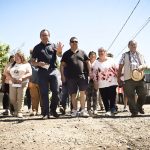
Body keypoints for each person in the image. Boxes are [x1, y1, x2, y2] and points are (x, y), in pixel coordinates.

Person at [31, 29, 63, 119]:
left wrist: (60, 51)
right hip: (42, 72)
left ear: (49, 36)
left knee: (56, 91)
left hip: (53, 70)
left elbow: (60, 55)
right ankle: (45, 113)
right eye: (43, 35)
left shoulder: (53, 45)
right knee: (44, 93)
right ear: (40, 36)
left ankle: (53, 110)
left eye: (46, 35)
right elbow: (32, 62)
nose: (45, 37)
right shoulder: (36, 47)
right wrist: (38, 64)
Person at [60, 37, 90, 117]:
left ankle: (83, 110)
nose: (74, 43)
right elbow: (62, 65)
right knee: (73, 94)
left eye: (76, 41)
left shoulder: (82, 52)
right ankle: (74, 110)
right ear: (69, 43)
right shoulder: (66, 54)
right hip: (70, 77)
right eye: (72, 41)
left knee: (82, 93)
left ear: (78, 43)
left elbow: (87, 62)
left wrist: (90, 72)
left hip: (82, 76)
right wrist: (62, 75)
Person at [117, 40, 147, 117]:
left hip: (140, 78)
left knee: (143, 93)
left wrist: (143, 67)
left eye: (135, 45)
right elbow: (120, 67)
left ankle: (139, 107)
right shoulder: (125, 55)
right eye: (132, 45)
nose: (134, 46)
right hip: (128, 79)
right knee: (130, 96)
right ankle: (134, 112)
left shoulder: (141, 55)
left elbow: (145, 66)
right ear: (129, 46)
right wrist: (118, 78)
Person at [90, 47, 118, 116]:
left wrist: (120, 78)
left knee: (112, 96)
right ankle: (108, 110)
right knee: (104, 97)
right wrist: (95, 82)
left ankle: (112, 109)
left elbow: (117, 69)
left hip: (112, 82)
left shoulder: (111, 60)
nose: (101, 53)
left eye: (103, 51)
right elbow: (94, 73)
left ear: (106, 52)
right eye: (99, 51)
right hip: (101, 83)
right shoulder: (95, 63)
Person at [6, 51, 32, 118]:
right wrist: (11, 78)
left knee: (20, 97)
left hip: (22, 83)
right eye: (15, 57)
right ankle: (16, 110)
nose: (16, 58)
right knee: (12, 98)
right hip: (12, 83)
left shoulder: (26, 64)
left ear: (22, 57)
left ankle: (19, 112)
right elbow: (6, 73)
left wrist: (22, 78)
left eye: (18, 57)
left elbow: (29, 73)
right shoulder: (12, 64)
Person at [86, 51, 98, 115]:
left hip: (95, 81)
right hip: (88, 81)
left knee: (95, 95)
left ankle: (95, 109)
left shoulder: (97, 63)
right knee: (88, 96)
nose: (92, 56)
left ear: (95, 56)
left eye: (94, 55)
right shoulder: (87, 63)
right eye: (91, 55)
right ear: (89, 56)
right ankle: (88, 109)